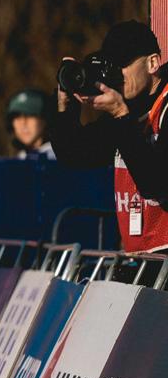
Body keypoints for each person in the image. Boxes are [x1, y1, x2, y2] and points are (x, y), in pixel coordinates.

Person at [50, 19, 168, 228]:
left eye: (122, 64)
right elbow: (73, 154)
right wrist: (65, 105)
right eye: (110, 65)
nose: (116, 73)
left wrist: (120, 115)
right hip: (144, 247)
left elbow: (157, 183)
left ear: (152, 63)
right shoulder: (127, 111)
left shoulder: (149, 110)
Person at [6, 90, 54, 159]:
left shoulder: (62, 158)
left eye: (30, 115)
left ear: (45, 119)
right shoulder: (18, 159)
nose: (23, 122)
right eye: (17, 116)